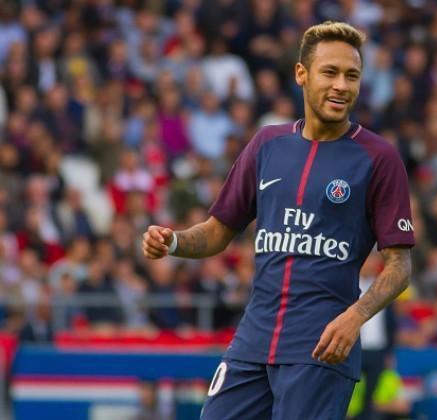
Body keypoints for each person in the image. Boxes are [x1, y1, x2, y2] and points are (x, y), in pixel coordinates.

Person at [142, 21, 415, 420]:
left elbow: (400, 265)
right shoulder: (267, 144)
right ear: (301, 74)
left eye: (352, 76)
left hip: (321, 348)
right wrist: (175, 242)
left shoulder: (378, 158)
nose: (341, 85)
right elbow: (217, 232)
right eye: (330, 72)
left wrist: (355, 317)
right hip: (253, 341)